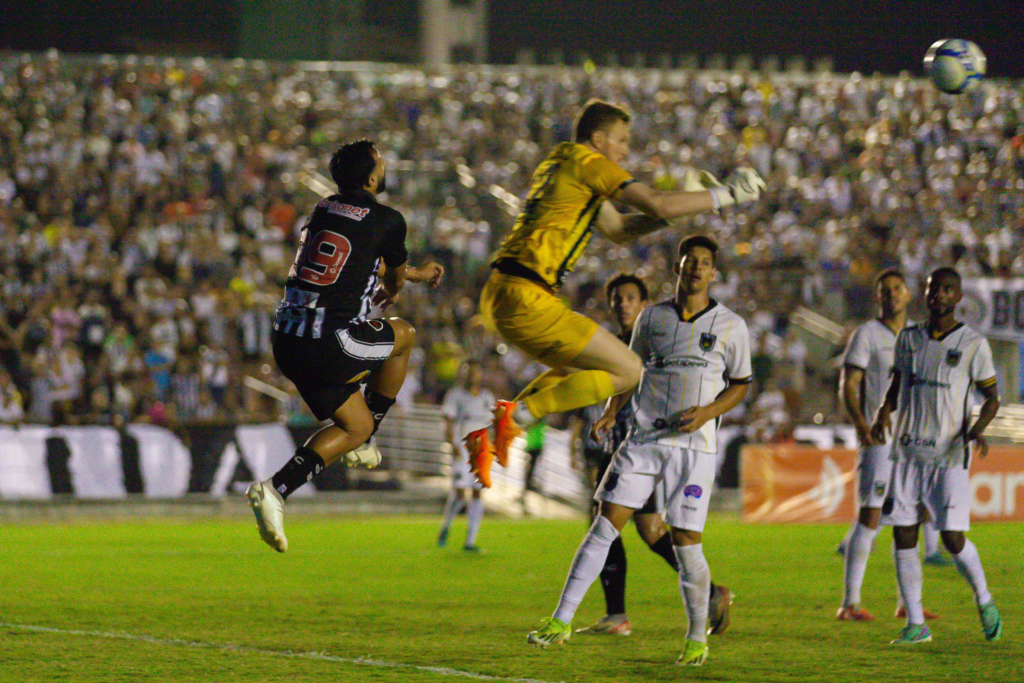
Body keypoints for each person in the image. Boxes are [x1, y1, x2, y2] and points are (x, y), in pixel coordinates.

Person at [464, 100, 765, 476]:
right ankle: (516, 417)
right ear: (598, 138)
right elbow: (656, 202)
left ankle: (492, 435)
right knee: (629, 370)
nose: (626, 149)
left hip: (503, 292)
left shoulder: (562, 165)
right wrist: (728, 194)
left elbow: (620, 230)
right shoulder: (588, 163)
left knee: (582, 369)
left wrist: (682, 207)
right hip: (527, 295)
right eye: (621, 140)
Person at [527, 236, 752, 668]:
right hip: (644, 440)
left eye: (704, 264)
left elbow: (740, 385)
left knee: (686, 544)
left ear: (713, 272)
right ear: (679, 268)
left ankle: (695, 639)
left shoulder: (731, 325)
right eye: (690, 262)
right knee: (603, 526)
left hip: (694, 447)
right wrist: (612, 411)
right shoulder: (652, 319)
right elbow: (629, 372)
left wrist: (707, 413)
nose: (696, 270)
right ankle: (560, 621)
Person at [245, 140, 443, 553]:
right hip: (329, 341)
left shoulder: (325, 209)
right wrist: (402, 284)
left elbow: (362, 256)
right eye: (382, 163)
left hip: (288, 339)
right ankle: (371, 440)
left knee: (353, 426)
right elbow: (393, 278)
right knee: (403, 336)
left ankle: (275, 490)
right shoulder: (389, 219)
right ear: (372, 177)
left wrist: (412, 275)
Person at [574, 272, 732, 638]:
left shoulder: (657, 341)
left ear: (644, 304)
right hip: (619, 446)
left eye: (630, 297)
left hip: (647, 446)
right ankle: (709, 593)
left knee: (606, 523)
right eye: (616, 298)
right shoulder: (612, 345)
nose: (622, 304)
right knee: (649, 529)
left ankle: (619, 615)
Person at [871, 267, 1002, 645]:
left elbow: (992, 398)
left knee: (953, 539)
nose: (939, 295)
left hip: (948, 454)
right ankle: (916, 623)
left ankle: (985, 599)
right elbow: (898, 383)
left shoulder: (974, 344)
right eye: (933, 288)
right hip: (908, 450)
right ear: (924, 293)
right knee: (904, 533)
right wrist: (883, 412)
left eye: (948, 289)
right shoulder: (909, 338)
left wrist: (976, 431)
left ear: (959, 297)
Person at [835, 270, 945, 623]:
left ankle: (908, 604)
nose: (892, 295)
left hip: (913, 442)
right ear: (877, 297)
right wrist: (860, 424)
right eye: (885, 291)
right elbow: (849, 384)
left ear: (909, 294)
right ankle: (849, 603)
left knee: (911, 520)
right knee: (869, 516)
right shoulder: (867, 334)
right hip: (879, 440)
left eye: (897, 289)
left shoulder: (918, 336)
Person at [437, 359, 494, 552]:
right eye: (469, 372)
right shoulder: (455, 395)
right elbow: (448, 422)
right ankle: (447, 525)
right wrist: (452, 445)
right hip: (462, 448)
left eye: (476, 372)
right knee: (461, 494)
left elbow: (492, 425)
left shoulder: (487, 397)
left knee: (477, 493)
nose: (473, 375)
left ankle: (470, 541)